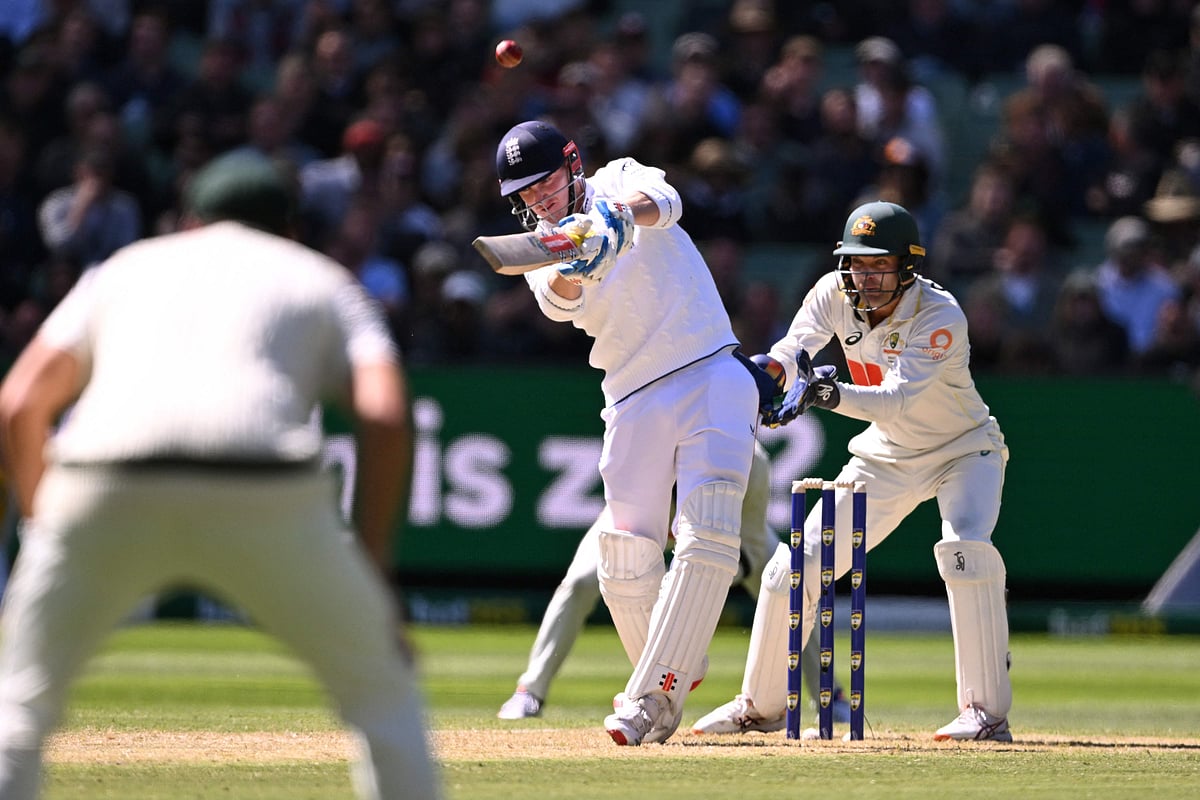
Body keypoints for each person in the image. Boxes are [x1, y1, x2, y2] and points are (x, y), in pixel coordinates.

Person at [0, 152, 441, 799]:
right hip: (266, 486)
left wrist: (46, 527)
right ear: (288, 227)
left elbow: (19, 405)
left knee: (19, 710)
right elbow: (385, 415)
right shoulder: (321, 277)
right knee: (383, 697)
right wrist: (375, 570)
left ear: (189, 221)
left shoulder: (124, 268)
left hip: (101, 482)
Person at [691, 201, 1014, 742]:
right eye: (857, 264)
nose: (865, 277)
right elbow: (793, 351)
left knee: (966, 553)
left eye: (878, 265)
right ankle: (761, 706)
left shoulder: (940, 316)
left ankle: (985, 713)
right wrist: (759, 379)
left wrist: (824, 392)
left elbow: (895, 400)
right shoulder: (831, 293)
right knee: (790, 570)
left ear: (908, 266)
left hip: (964, 450)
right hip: (886, 456)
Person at [492, 120, 761, 746]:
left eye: (545, 184)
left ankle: (647, 703)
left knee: (708, 531)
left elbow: (667, 204)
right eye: (524, 195)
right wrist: (577, 257)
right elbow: (557, 303)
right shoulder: (544, 244)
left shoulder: (618, 179)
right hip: (633, 396)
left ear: (572, 164)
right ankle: (676, 670)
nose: (537, 201)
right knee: (622, 555)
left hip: (710, 371)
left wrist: (613, 219)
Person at [497, 441, 850, 723]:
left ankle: (828, 696)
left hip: (726, 534)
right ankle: (530, 690)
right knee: (580, 582)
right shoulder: (644, 441)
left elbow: (748, 556)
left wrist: (685, 588)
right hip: (641, 521)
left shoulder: (747, 461)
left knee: (789, 588)